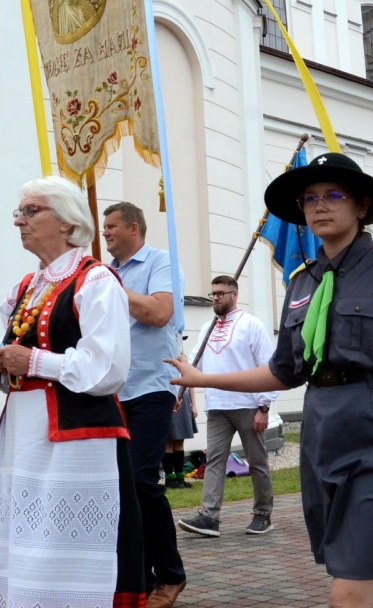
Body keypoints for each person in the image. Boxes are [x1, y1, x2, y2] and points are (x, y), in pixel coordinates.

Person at [168, 152, 373, 608]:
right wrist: (202, 378)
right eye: (310, 198)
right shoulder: (303, 283)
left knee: (351, 589)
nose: (319, 206)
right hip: (326, 439)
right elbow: (284, 371)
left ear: (361, 206)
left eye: (334, 195)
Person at [0, 177, 144, 608]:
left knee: (58, 540)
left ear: (68, 223)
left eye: (31, 210)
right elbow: (20, 352)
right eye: (18, 211)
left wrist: (33, 362)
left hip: (75, 437)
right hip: (23, 432)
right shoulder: (25, 287)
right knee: (24, 537)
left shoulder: (95, 281)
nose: (19, 220)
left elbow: (108, 369)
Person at [103, 201, 188, 608]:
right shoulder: (104, 273)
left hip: (153, 386)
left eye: (112, 227)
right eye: (103, 228)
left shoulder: (161, 261)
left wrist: (112, 288)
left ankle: (171, 575)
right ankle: (139, 578)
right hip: (112, 391)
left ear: (134, 228)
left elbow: (159, 312)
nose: (105, 234)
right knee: (119, 489)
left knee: (140, 480)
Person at [177, 275, 276, 539]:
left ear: (234, 294)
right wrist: (180, 379)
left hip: (248, 404)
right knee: (215, 461)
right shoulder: (208, 327)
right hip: (218, 405)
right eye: (213, 294)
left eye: (221, 293)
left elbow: (269, 366)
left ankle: (263, 514)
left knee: (257, 461)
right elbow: (195, 365)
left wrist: (264, 406)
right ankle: (209, 517)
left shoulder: (252, 326)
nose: (216, 298)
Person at [163, 353, 197, 490]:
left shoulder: (183, 359)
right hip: (171, 399)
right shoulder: (165, 357)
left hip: (184, 400)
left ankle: (180, 477)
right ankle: (169, 478)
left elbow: (191, 382)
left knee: (180, 440)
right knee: (170, 439)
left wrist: (193, 405)